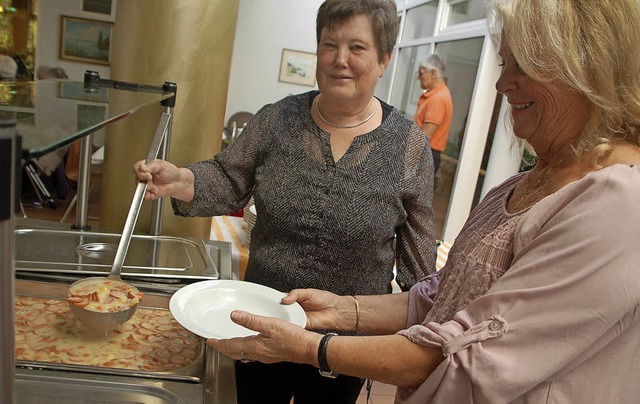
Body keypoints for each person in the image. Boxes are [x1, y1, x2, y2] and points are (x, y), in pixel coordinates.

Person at [208, 0, 640, 402]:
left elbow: (466, 357)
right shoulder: (521, 185)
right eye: (506, 62)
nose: (501, 82)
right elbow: (442, 296)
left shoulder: (617, 204)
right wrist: (343, 309)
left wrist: (311, 348)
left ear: (588, 67)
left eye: (524, 65)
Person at [133, 0, 436, 402]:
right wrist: (180, 179)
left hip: (342, 347)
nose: (340, 59)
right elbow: (228, 177)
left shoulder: (410, 147)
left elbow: (421, 272)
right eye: (329, 44)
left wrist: (413, 343)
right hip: (261, 326)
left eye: (357, 47)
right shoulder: (277, 120)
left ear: (383, 60)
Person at [413, 53, 453, 175]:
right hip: (424, 155)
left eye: (421, 73)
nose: (418, 78)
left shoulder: (438, 99)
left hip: (424, 156)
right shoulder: (435, 95)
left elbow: (425, 136)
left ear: (433, 73)